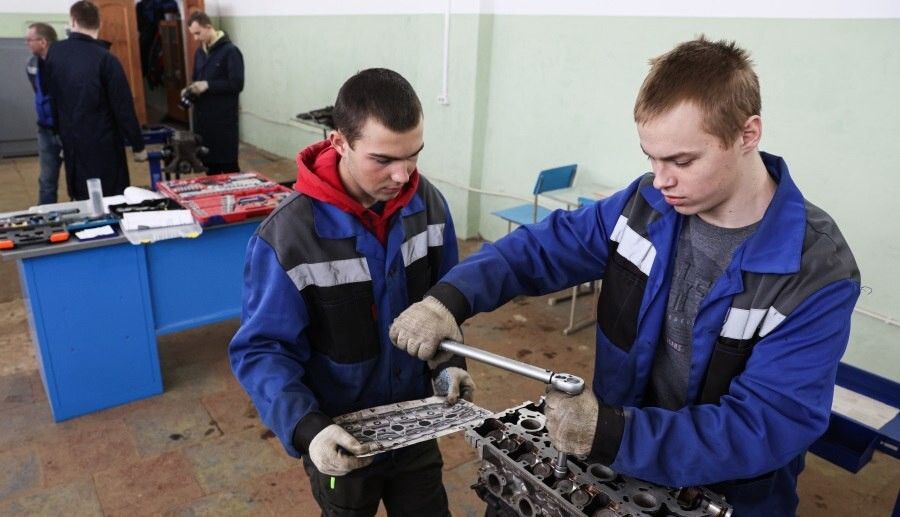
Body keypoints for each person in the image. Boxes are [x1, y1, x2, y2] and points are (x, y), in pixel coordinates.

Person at [390, 36, 860, 516]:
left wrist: (613, 433)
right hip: (616, 473)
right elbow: (538, 249)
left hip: (728, 497)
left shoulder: (814, 271)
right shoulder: (645, 207)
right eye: (651, 157)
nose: (662, 178)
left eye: (682, 161)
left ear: (748, 134)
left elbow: (766, 423)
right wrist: (448, 299)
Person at [229, 68, 471, 516]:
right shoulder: (289, 236)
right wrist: (308, 429)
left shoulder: (429, 206)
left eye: (413, 156)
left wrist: (449, 363)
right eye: (383, 160)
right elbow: (262, 350)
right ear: (339, 142)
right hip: (339, 435)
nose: (402, 175)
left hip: (416, 423)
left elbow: (445, 301)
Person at [45, 1, 147, 201]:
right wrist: (138, 146)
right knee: (110, 198)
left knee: (82, 195)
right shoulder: (106, 59)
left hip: (71, 141)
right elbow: (123, 107)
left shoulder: (55, 53)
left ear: (73, 21)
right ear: (100, 23)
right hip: (103, 144)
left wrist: (58, 133)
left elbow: (52, 97)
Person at [184, 11, 244, 175]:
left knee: (229, 168)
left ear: (209, 27)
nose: (195, 38)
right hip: (204, 125)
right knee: (210, 170)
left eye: (198, 33)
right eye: (193, 34)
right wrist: (190, 89)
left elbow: (237, 84)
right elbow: (196, 80)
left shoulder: (231, 52)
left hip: (223, 123)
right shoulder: (199, 53)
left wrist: (208, 85)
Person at [25, 22, 63, 205]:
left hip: (66, 129)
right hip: (45, 131)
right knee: (47, 181)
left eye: (29, 40)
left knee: (80, 177)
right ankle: (47, 215)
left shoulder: (63, 63)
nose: (27, 44)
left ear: (43, 41)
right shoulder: (31, 64)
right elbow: (38, 91)